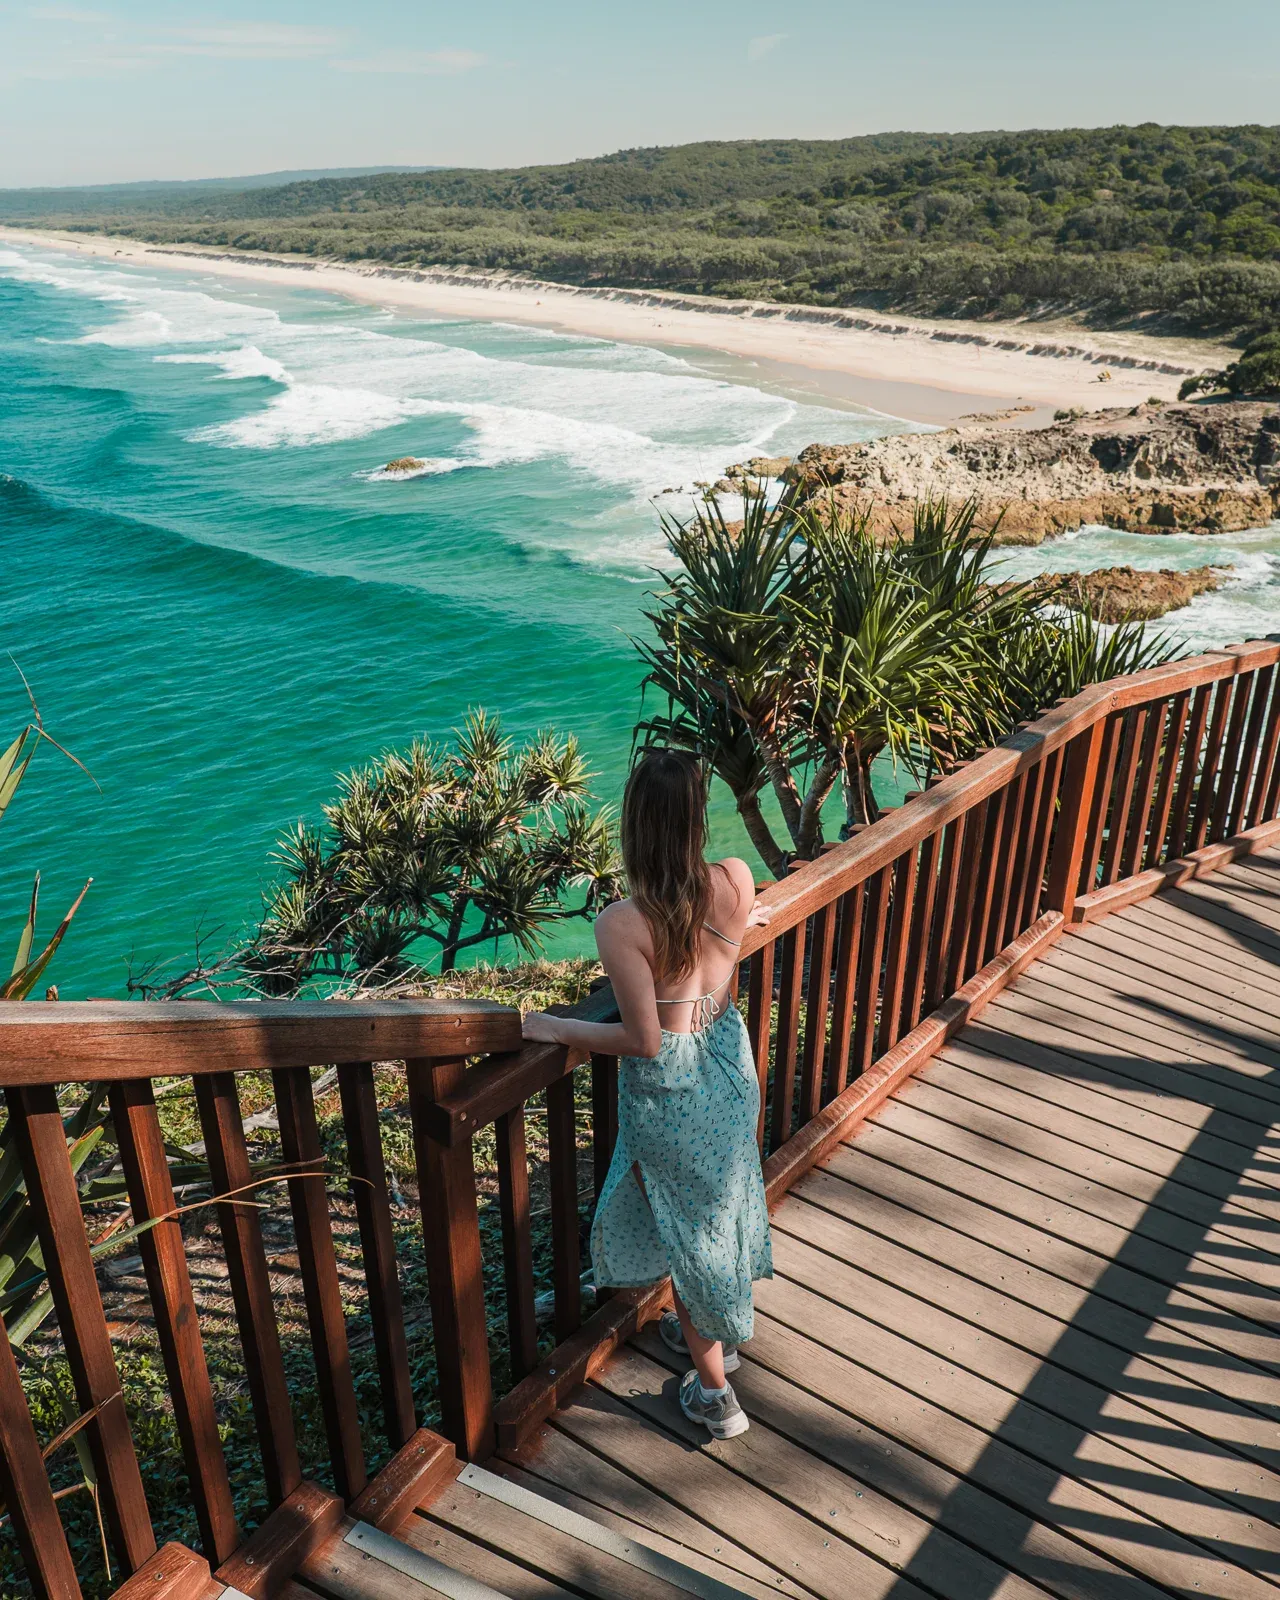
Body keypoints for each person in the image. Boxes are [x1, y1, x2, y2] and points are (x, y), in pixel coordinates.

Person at [522, 749, 774, 1440]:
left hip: (672, 1093)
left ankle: (717, 1395)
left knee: (691, 1236)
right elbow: (713, 961)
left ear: (634, 826)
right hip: (727, 1065)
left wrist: (550, 1025)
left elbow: (645, 1040)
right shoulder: (734, 880)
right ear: (696, 819)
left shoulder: (622, 923)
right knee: (717, 1208)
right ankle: (718, 1334)